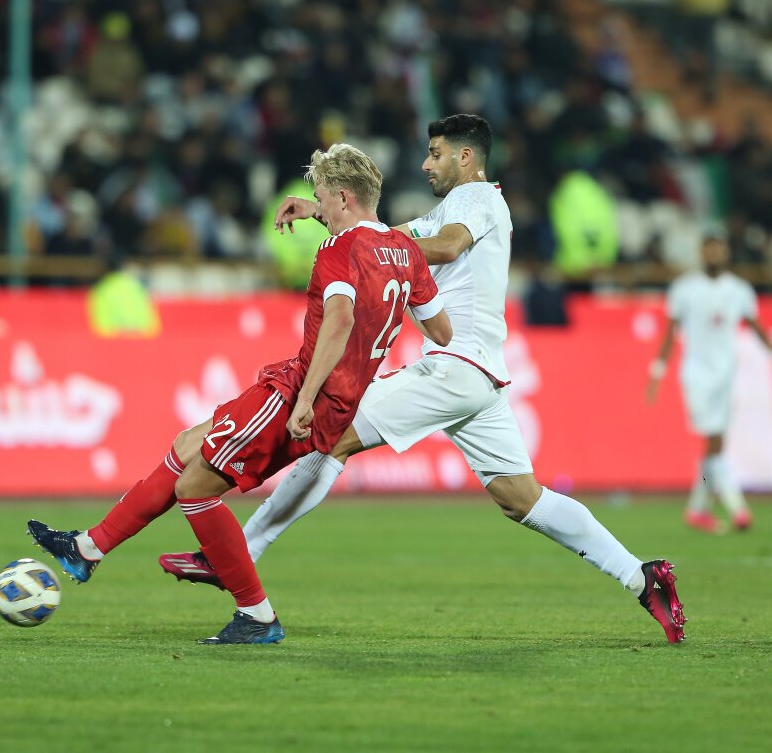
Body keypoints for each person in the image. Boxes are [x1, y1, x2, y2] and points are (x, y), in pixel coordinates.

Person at [160, 114, 689, 644]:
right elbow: (385, 237)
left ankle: (235, 556)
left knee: (331, 436)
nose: (425, 164)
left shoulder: (476, 198)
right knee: (521, 498)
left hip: (455, 367)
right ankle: (641, 576)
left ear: (465, 156)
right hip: (478, 376)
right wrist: (323, 212)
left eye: (436, 153)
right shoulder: (451, 206)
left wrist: (371, 242)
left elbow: (445, 246)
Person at [27, 144, 451, 644]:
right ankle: (88, 548)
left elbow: (339, 320)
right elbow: (441, 331)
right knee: (189, 444)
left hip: (302, 391)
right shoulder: (405, 252)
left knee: (194, 489)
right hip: (337, 397)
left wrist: (305, 399)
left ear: (342, 196)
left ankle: (257, 615)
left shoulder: (338, 250)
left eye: (321, 197)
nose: (317, 205)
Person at [646, 233, 772, 533]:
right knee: (714, 440)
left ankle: (697, 509)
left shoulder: (739, 290)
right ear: (701, 252)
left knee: (714, 445)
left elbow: (756, 327)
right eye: (710, 249)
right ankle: (738, 508)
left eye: (719, 249)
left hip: (726, 375)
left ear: (727, 253)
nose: (714, 254)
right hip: (697, 375)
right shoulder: (685, 288)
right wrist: (657, 371)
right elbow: (670, 331)